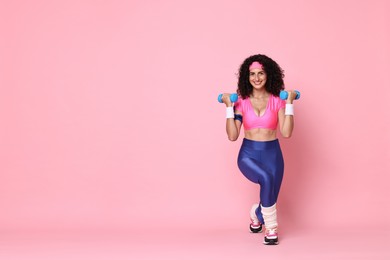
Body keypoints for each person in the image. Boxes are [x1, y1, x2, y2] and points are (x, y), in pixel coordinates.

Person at [221, 54, 297, 245]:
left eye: (260, 73)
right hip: (249, 155)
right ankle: (271, 229)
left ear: (268, 75)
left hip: (274, 155)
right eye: (252, 74)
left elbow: (286, 133)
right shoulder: (241, 102)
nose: (256, 78)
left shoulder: (277, 101)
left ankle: (257, 214)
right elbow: (232, 136)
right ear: (247, 77)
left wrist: (289, 103)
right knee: (266, 178)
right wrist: (229, 107)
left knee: (270, 194)